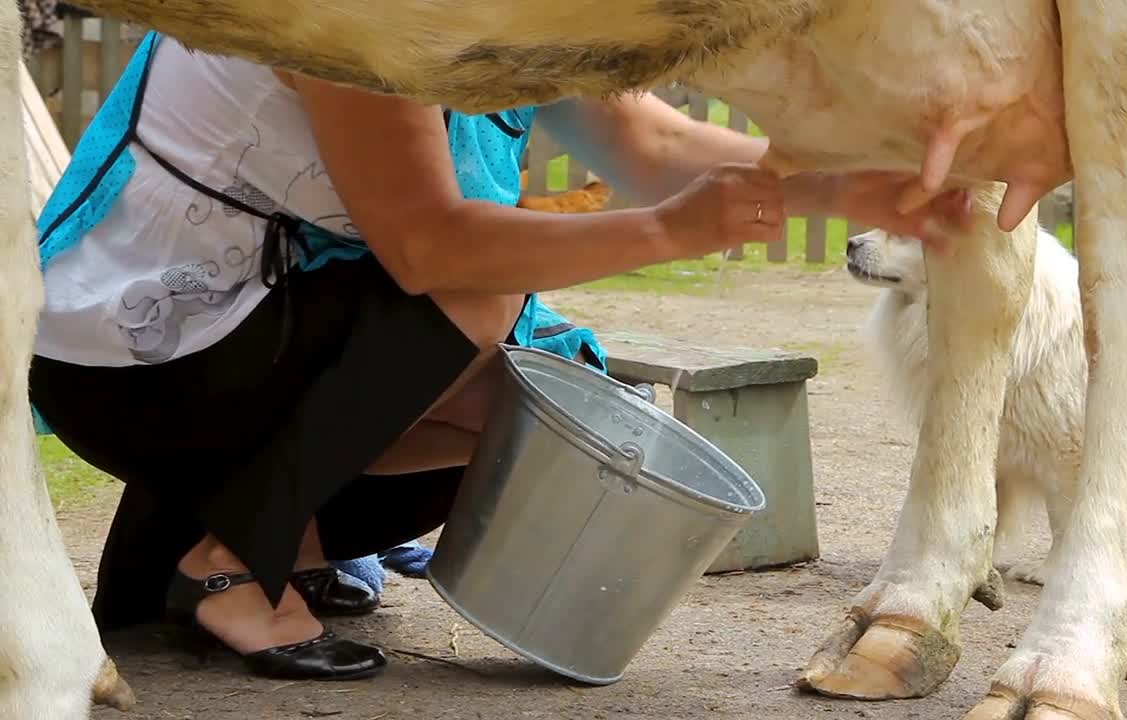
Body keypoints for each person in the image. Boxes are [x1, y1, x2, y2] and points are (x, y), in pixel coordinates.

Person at [28, 31, 972, 682]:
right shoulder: (355, 19)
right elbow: (431, 245)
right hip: (131, 360)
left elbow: (651, 139)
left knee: (533, 422)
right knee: (478, 291)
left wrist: (849, 190)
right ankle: (237, 559)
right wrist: (669, 232)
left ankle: (203, 532)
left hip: (250, 327)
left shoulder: (519, 20)